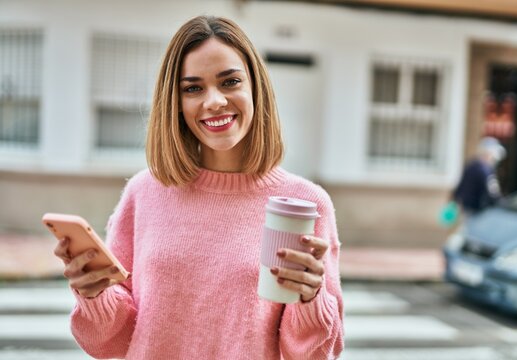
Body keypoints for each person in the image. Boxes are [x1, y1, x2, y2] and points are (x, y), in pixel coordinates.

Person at [53, 15, 344, 359]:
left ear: (255, 88)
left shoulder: (305, 203)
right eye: (193, 88)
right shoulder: (144, 193)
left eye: (230, 82)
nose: (214, 101)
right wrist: (93, 294)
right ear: (175, 103)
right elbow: (111, 342)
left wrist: (311, 299)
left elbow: (314, 353)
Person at [452, 136, 506, 216]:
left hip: (467, 206)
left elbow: (460, 186)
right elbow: (493, 194)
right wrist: (503, 204)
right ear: (489, 154)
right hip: (478, 209)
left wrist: (455, 198)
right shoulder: (486, 171)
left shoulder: (471, 165)